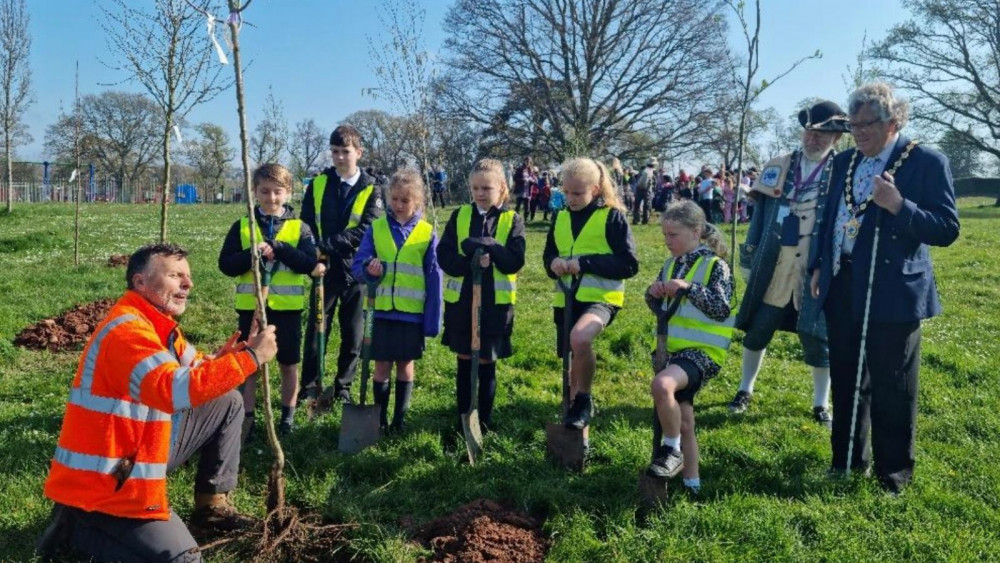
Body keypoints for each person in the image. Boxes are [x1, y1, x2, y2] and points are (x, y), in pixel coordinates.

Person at [36, 244, 278, 562]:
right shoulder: (127, 332)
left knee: (228, 401)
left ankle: (211, 509)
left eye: (188, 277)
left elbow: (195, 371)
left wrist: (226, 361)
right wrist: (250, 359)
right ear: (140, 282)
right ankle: (77, 528)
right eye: (175, 275)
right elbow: (171, 389)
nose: (188, 284)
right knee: (185, 559)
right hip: (110, 481)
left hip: (133, 455)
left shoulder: (158, 327)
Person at [810, 82, 959, 493]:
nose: (857, 132)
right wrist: (821, 266)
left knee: (893, 384)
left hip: (893, 289)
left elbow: (947, 228)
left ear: (894, 122)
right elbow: (829, 219)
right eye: (851, 124)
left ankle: (893, 476)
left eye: (866, 125)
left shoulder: (926, 161)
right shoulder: (843, 163)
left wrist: (898, 205)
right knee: (846, 376)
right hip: (842, 283)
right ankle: (846, 462)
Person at [728, 100, 850, 427]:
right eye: (809, 132)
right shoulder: (778, 165)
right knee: (758, 330)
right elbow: (759, 218)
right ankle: (744, 389)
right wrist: (749, 254)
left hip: (817, 271)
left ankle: (820, 404)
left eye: (823, 135)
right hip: (775, 266)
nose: (814, 140)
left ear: (836, 138)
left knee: (818, 338)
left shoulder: (842, 171)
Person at [218, 163, 323, 439]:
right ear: (254, 192)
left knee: (289, 363)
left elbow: (309, 263)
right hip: (251, 309)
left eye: (278, 192)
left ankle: (287, 417)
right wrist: (250, 255)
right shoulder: (243, 226)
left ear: (288, 193)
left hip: (287, 310)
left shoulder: (300, 228)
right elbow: (226, 265)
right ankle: (247, 417)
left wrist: (281, 249)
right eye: (264, 191)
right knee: (249, 364)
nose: (271, 198)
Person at [543, 157, 640, 435]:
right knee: (571, 354)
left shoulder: (611, 217)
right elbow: (548, 254)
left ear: (595, 190)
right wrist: (553, 264)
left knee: (580, 338)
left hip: (602, 297)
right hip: (567, 297)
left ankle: (584, 399)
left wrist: (584, 263)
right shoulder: (560, 217)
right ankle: (574, 413)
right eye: (567, 192)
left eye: (577, 193)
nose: (571, 199)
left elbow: (629, 264)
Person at [645, 201, 734, 494]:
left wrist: (688, 287)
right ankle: (692, 484)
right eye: (665, 235)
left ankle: (671, 451)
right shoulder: (670, 264)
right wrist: (654, 293)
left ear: (696, 232)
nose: (667, 241)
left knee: (662, 386)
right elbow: (658, 305)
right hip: (671, 352)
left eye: (674, 235)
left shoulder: (715, 266)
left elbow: (721, 308)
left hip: (702, 353)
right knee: (684, 420)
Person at [351, 168, 442, 433]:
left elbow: (434, 278)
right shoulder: (376, 228)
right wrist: (369, 268)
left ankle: (399, 421)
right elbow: (359, 265)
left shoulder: (427, 234)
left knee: (405, 365)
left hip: (411, 315)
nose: (399, 205)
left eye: (405, 200)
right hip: (381, 313)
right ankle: (379, 420)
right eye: (395, 199)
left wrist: (432, 322)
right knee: (381, 366)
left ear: (417, 202)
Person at [438, 159, 526, 432]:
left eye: (486, 188)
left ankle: (484, 420)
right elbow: (445, 255)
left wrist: (491, 247)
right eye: (475, 188)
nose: (480, 193)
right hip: (463, 304)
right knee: (464, 359)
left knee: (486, 360)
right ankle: (464, 416)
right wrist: (470, 264)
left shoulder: (512, 220)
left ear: (502, 188)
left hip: (494, 307)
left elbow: (515, 260)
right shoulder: (460, 215)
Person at [299, 125, 383, 405]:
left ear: (358, 152)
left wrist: (327, 244)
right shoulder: (319, 184)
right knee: (316, 329)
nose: (339, 157)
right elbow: (306, 222)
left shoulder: (372, 188)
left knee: (353, 333)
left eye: (345, 152)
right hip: (324, 268)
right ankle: (310, 385)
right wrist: (314, 251)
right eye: (334, 151)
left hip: (357, 270)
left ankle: (343, 386)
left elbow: (367, 229)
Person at [633, 158, 656, 225]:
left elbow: (637, 179)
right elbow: (653, 182)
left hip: (638, 189)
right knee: (646, 205)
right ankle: (645, 220)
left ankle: (636, 220)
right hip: (647, 190)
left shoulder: (642, 170)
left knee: (637, 205)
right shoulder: (652, 171)